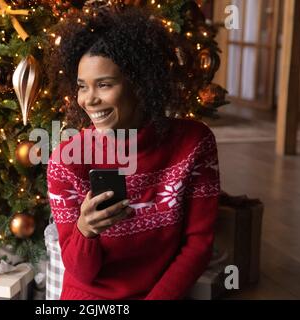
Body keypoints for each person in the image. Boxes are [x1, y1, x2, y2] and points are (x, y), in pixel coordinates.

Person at [45, 6, 220, 300]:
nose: (89, 100)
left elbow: (199, 244)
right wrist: (86, 230)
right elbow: (81, 274)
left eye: (104, 84)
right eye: (82, 87)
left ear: (140, 84)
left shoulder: (193, 143)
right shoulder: (67, 160)